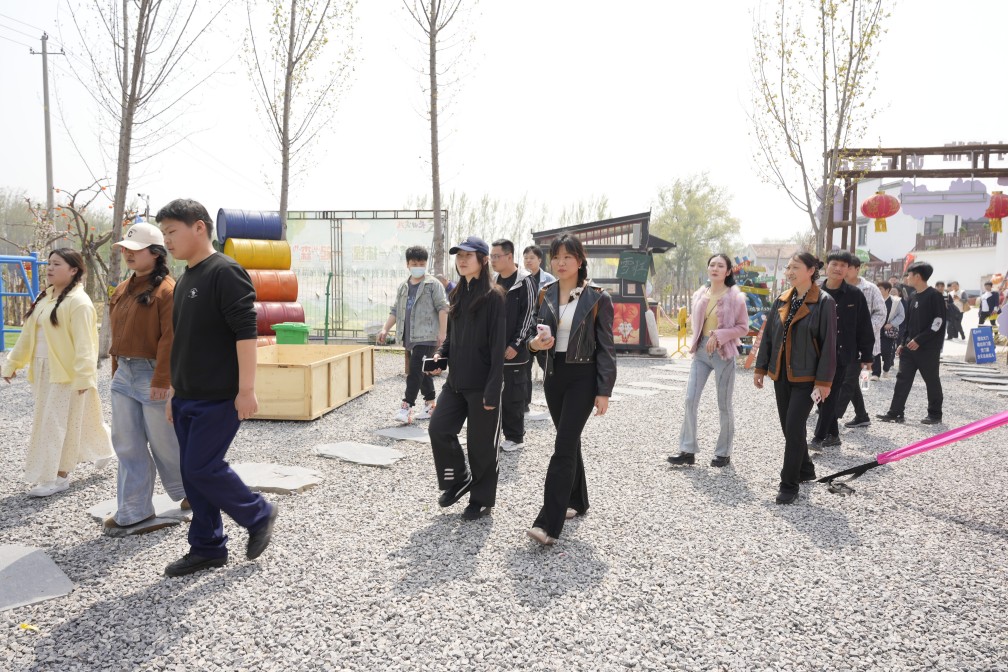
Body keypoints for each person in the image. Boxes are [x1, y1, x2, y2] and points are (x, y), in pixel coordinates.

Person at [157, 199, 277, 577]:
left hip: (220, 396)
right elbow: (182, 341)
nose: (167, 241)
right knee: (193, 476)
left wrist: (247, 389)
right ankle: (207, 548)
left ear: (199, 227)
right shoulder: (184, 279)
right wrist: (174, 391)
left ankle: (258, 513)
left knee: (203, 467)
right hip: (187, 395)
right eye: (163, 234)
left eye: (172, 231)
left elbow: (246, 333)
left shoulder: (225, 271)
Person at [525, 234, 616, 545]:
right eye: (556, 257)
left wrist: (604, 390)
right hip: (554, 375)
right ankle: (578, 500)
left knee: (562, 445)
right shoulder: (546, 293)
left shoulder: (597, 298)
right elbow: (532, 334)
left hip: (583, 377)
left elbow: (606, 348)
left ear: (580, 261)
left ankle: (547, 524)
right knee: (569, 439)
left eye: (567, 257)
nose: (560, 262)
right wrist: (535, 345)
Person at [1, 249, 114, 497]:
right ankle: (104, 446)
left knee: (54, 424)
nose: (50, 268)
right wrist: (12, 364)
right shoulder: (45, 297)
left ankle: (58, 476)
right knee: (70, 419)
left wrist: (84, 378)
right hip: (43, 370)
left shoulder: (79, 303)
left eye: (56, 264)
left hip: (67, 374)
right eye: (49, 263)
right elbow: (27, 336)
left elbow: (86, 345)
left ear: (73, 270)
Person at [105, 223, 187, 532]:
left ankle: (192, 490)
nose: (127, 253)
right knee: (126, 443)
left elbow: (171, 339)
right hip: (124, 374)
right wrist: (116, 370)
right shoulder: (123, 288)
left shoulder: (168, 290)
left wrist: (162, 381)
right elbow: (118, 334)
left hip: (153, 373)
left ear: (155, 253)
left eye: (135, 249)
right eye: (125, 249)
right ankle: (134, 509)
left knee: (165, 443)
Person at [426, 236, 506, 521]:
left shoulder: (494, 296)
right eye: (458, 256)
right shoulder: (457, 294)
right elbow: (452, 337)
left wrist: (492, 390)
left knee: (481, 446)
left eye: (468, 256)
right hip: (456, 383)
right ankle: (459, 478)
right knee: (438, 429)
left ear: (483, 260)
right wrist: (440, 355)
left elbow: (498, 347)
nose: (461, 260)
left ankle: (482, 499)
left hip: (483, 385)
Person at [754, 252, 836, 505]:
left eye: (795, 267)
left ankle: (789, 484)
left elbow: (829, 344)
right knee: (790, 429)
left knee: (792, 428)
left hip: (807, 378)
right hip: (781, 375)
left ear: (811, 271)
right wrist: (760, 368)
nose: (789, 272)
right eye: (788, 267)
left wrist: (824, 382)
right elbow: (769, 337)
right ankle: (806, 468)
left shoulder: (824, 302)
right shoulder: (781, 299)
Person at [667, 253, 748, 467]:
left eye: (720, 266)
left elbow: (743, 328)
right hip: (701, 353)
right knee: (690, 399)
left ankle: (723, 452)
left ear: (728, 271)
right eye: (712, 265)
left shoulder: (735, 297)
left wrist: (719, 335)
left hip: (724, 353)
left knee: (724, 404)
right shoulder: (699, 294)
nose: (715, 268)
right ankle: (687, 450)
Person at [377, 247, 449, 423]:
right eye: (414, 263)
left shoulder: (433, 285)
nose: (418, 267)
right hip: (409, 336)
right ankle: (431, 405)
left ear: (426, 264)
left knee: (414, 370)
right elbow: (395, 310)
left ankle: (406, 406)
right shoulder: (403, 286)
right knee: (422, 370)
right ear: (407, 264)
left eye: (421, 264)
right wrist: (385, 329)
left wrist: (443, 333)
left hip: (427, 336)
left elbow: (443, 308)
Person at [809, 251, 873, 449]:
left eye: (843, 265)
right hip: (816, 353)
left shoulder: (855, 295)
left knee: (831, 394)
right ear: (826, 266)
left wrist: (867, 356)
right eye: (834, 264)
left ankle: (818, 438)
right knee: (819, 394)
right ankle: (834, 434)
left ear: (849, 269)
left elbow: (864, 326)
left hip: (843, 354)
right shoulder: (814, 292)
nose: (838, 268)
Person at [877, 261, 946, 425]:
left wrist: (919, 340)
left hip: (928, 348)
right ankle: (895, 412)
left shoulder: (934, 296)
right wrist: (902, 343)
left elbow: (937, 323)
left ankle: (935, 414)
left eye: (909, 275)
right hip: (909, 348)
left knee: (931, 380)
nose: (906, 278)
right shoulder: (913, 296)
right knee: (902, 379)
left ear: (918, 276)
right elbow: (908, 324)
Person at [490, 239, 536, 452]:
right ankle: (494, 433)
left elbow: (528, 315)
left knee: (513, 395)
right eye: (491, 256)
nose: (493, 260)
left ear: (509, 257)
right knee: (493, 393)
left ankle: (515, 437)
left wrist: (516, 344)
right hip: (495, 349)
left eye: (496, 256)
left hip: (515, 351)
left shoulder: (525, 281)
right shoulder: (493, 280)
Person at [835, 255, 885, 429]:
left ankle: (831, 417)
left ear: (857, 269)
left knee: (847, 380)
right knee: (850, 381)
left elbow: (881, 313)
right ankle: (862, 416)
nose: (843, 270)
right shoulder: (838, 287)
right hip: (842, 344)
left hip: (862, 346)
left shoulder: (870, 289)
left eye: (847, 267)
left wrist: (864, 330)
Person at [521, 244, 556, 412]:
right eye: (526, 258)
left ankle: (555, 399)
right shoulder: (520, 278)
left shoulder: (549, 279)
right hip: (525, 329)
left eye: (532, 258)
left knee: (547, 365)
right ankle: (525, 404)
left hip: (543, 328)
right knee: (525, 367)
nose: (528, 261)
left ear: (540, 260)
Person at [874, 281, 905, 378]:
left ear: (887, 290)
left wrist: (892, 324)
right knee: (875, 351)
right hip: (876, 329)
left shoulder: (895, 301)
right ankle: (875, 373)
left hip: (888, 330)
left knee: (886, 351)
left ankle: (886, 369)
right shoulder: (875, 299)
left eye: (880, 289)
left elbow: (901, 315)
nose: (878, 290)